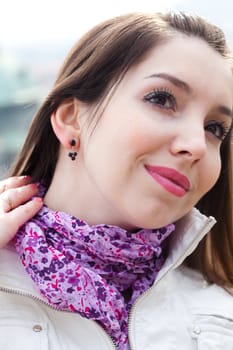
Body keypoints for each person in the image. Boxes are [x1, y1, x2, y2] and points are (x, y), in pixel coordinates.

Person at [0, 11, 233, 350]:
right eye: (162, 99)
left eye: (214, 129)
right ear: (70, 119)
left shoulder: (221, 310)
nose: (197, 144)